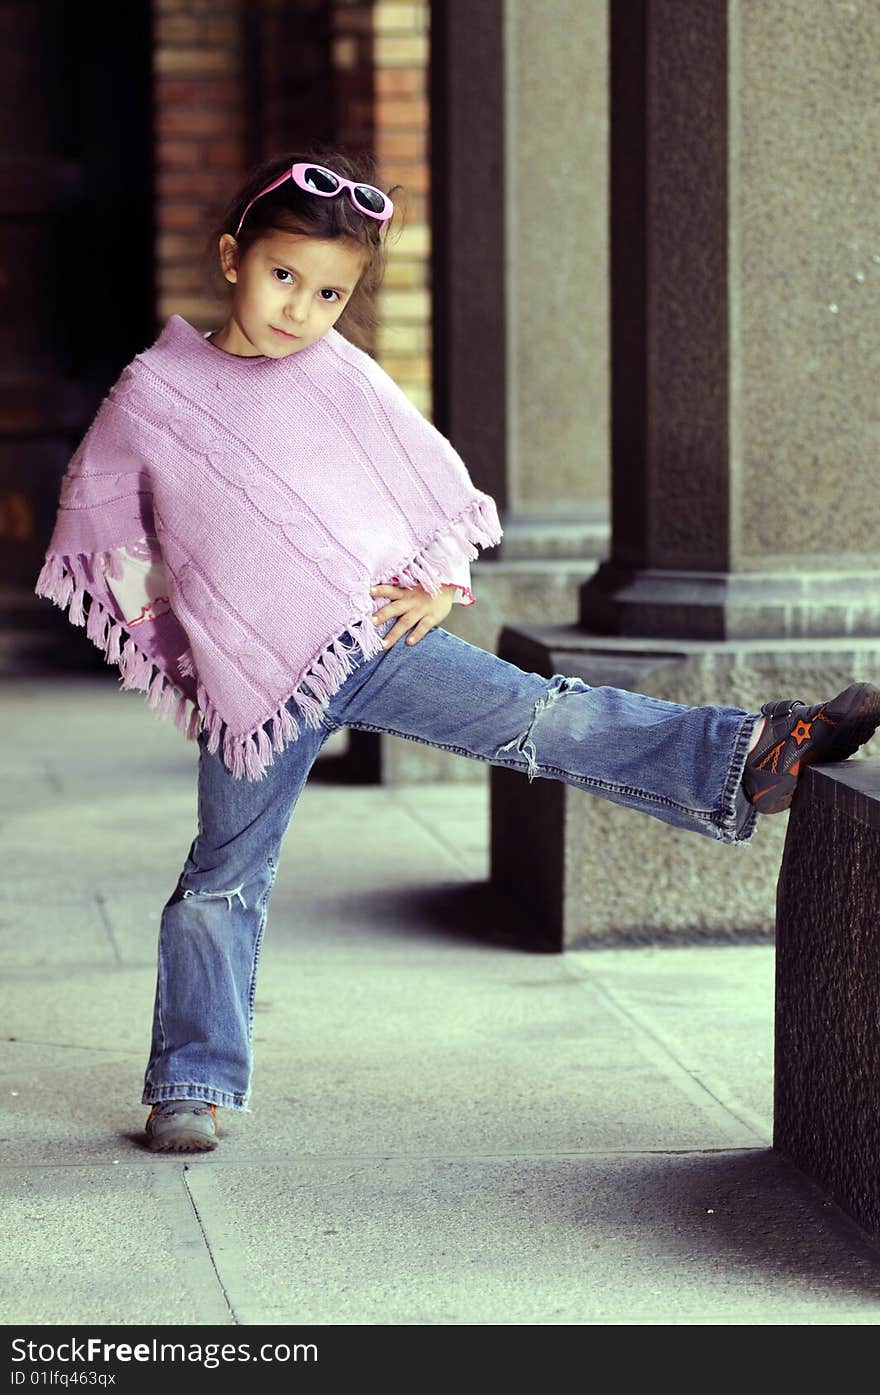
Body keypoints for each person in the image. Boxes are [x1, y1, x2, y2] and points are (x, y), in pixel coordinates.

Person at [34, 149, 880, 1154]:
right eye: (282, 276)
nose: (300, 307)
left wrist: (439, 584)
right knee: (224, 873)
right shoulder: (156, 393)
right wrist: (188, 639)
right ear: (231, 258)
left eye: (329, 292)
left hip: (375, 639)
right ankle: (190, 1081)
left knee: (542, 714)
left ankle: (749, 752)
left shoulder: (336, 377)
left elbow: (414, 486)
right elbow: (102, 530)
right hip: (251, 688)